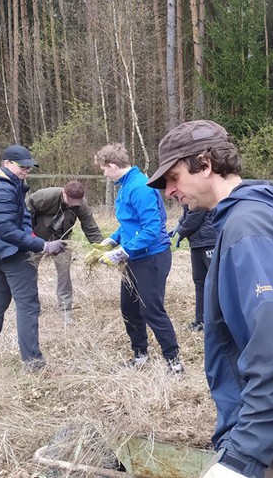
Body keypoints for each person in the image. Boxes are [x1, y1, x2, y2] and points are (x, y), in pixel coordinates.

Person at [146, 119, 273, 478]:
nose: (169, 190)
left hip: (264, 439)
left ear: (205, 163)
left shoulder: (247, 228)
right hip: (270, 428)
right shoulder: (241, 220)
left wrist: (242, 459)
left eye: (173, 177)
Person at [0, 145, 68, 369]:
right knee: (28, 306)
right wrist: (43, 245)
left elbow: (23, 218)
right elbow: (6, 229)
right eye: (23, 166)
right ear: (7, 163)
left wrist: (31, 236)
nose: (27, 170)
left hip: (1, 252)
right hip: (10, 254)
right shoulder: (3, 189)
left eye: (29, 167)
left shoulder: (13, 185)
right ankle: (33, 362)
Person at [93, 143, 183, 374]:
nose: (103, 173)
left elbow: (151, 229)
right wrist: (111, 241)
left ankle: (174, 362)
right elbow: (129, 224)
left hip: (151, 257)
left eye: (103, 169)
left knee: (151, 310)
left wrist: (122, 252)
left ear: (113, 166)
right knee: (129, 308)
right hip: (135, 256)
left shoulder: (140, 186)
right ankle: (140, 355)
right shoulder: (125, 185)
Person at [28, 181, 104, 322]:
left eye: (76, 202)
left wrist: (101, 248)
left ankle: (65, 309)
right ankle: (30, 307)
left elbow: (90, 227)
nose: (72, 204)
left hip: (62, 241)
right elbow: (24, 218)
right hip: (37, 239)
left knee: (64, 274)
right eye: (70, 201)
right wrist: (30, 239)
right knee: (29, 271)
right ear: (64, 193)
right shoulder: (42, 197)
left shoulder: (81, 204)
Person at [169, 205, 217, 332]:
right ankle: (200, 320)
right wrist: (179, 223)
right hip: (197, 243)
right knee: (199, 282)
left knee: (215, 282)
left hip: (209, 240)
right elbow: (188, 211)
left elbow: (195, 215)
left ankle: (218, 320)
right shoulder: (188, 195)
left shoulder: (198, 193)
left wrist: (181, 231)